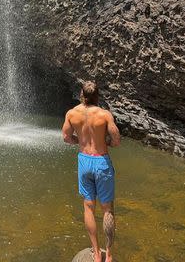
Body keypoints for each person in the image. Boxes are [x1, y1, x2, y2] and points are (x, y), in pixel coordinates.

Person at [62, 81, 121, 262]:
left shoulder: (72, 113)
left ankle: (95, 254)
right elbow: (116, 139)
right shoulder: (104, 115)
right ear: (97, 96)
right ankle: (108, 255)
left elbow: (65, 137)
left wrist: (78, 142)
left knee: (88, 206)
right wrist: (107, 143)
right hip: (101, 161)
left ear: (81, 94)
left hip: (84, 161)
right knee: (107, 210)